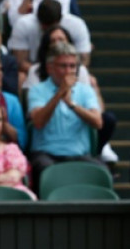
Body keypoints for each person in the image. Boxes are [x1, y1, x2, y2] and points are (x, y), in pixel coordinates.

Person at [27, 41, 104, 187]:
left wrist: (72, 104)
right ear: (50, 68)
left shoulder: (85, 90)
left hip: (79, 155)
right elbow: (38, 122)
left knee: (102, 172)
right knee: (47, 171)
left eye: (72, 66)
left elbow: (98, 122)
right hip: (46, 154)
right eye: (63, 66)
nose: (68, 71)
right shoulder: (37, 90)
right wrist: (59, 95)